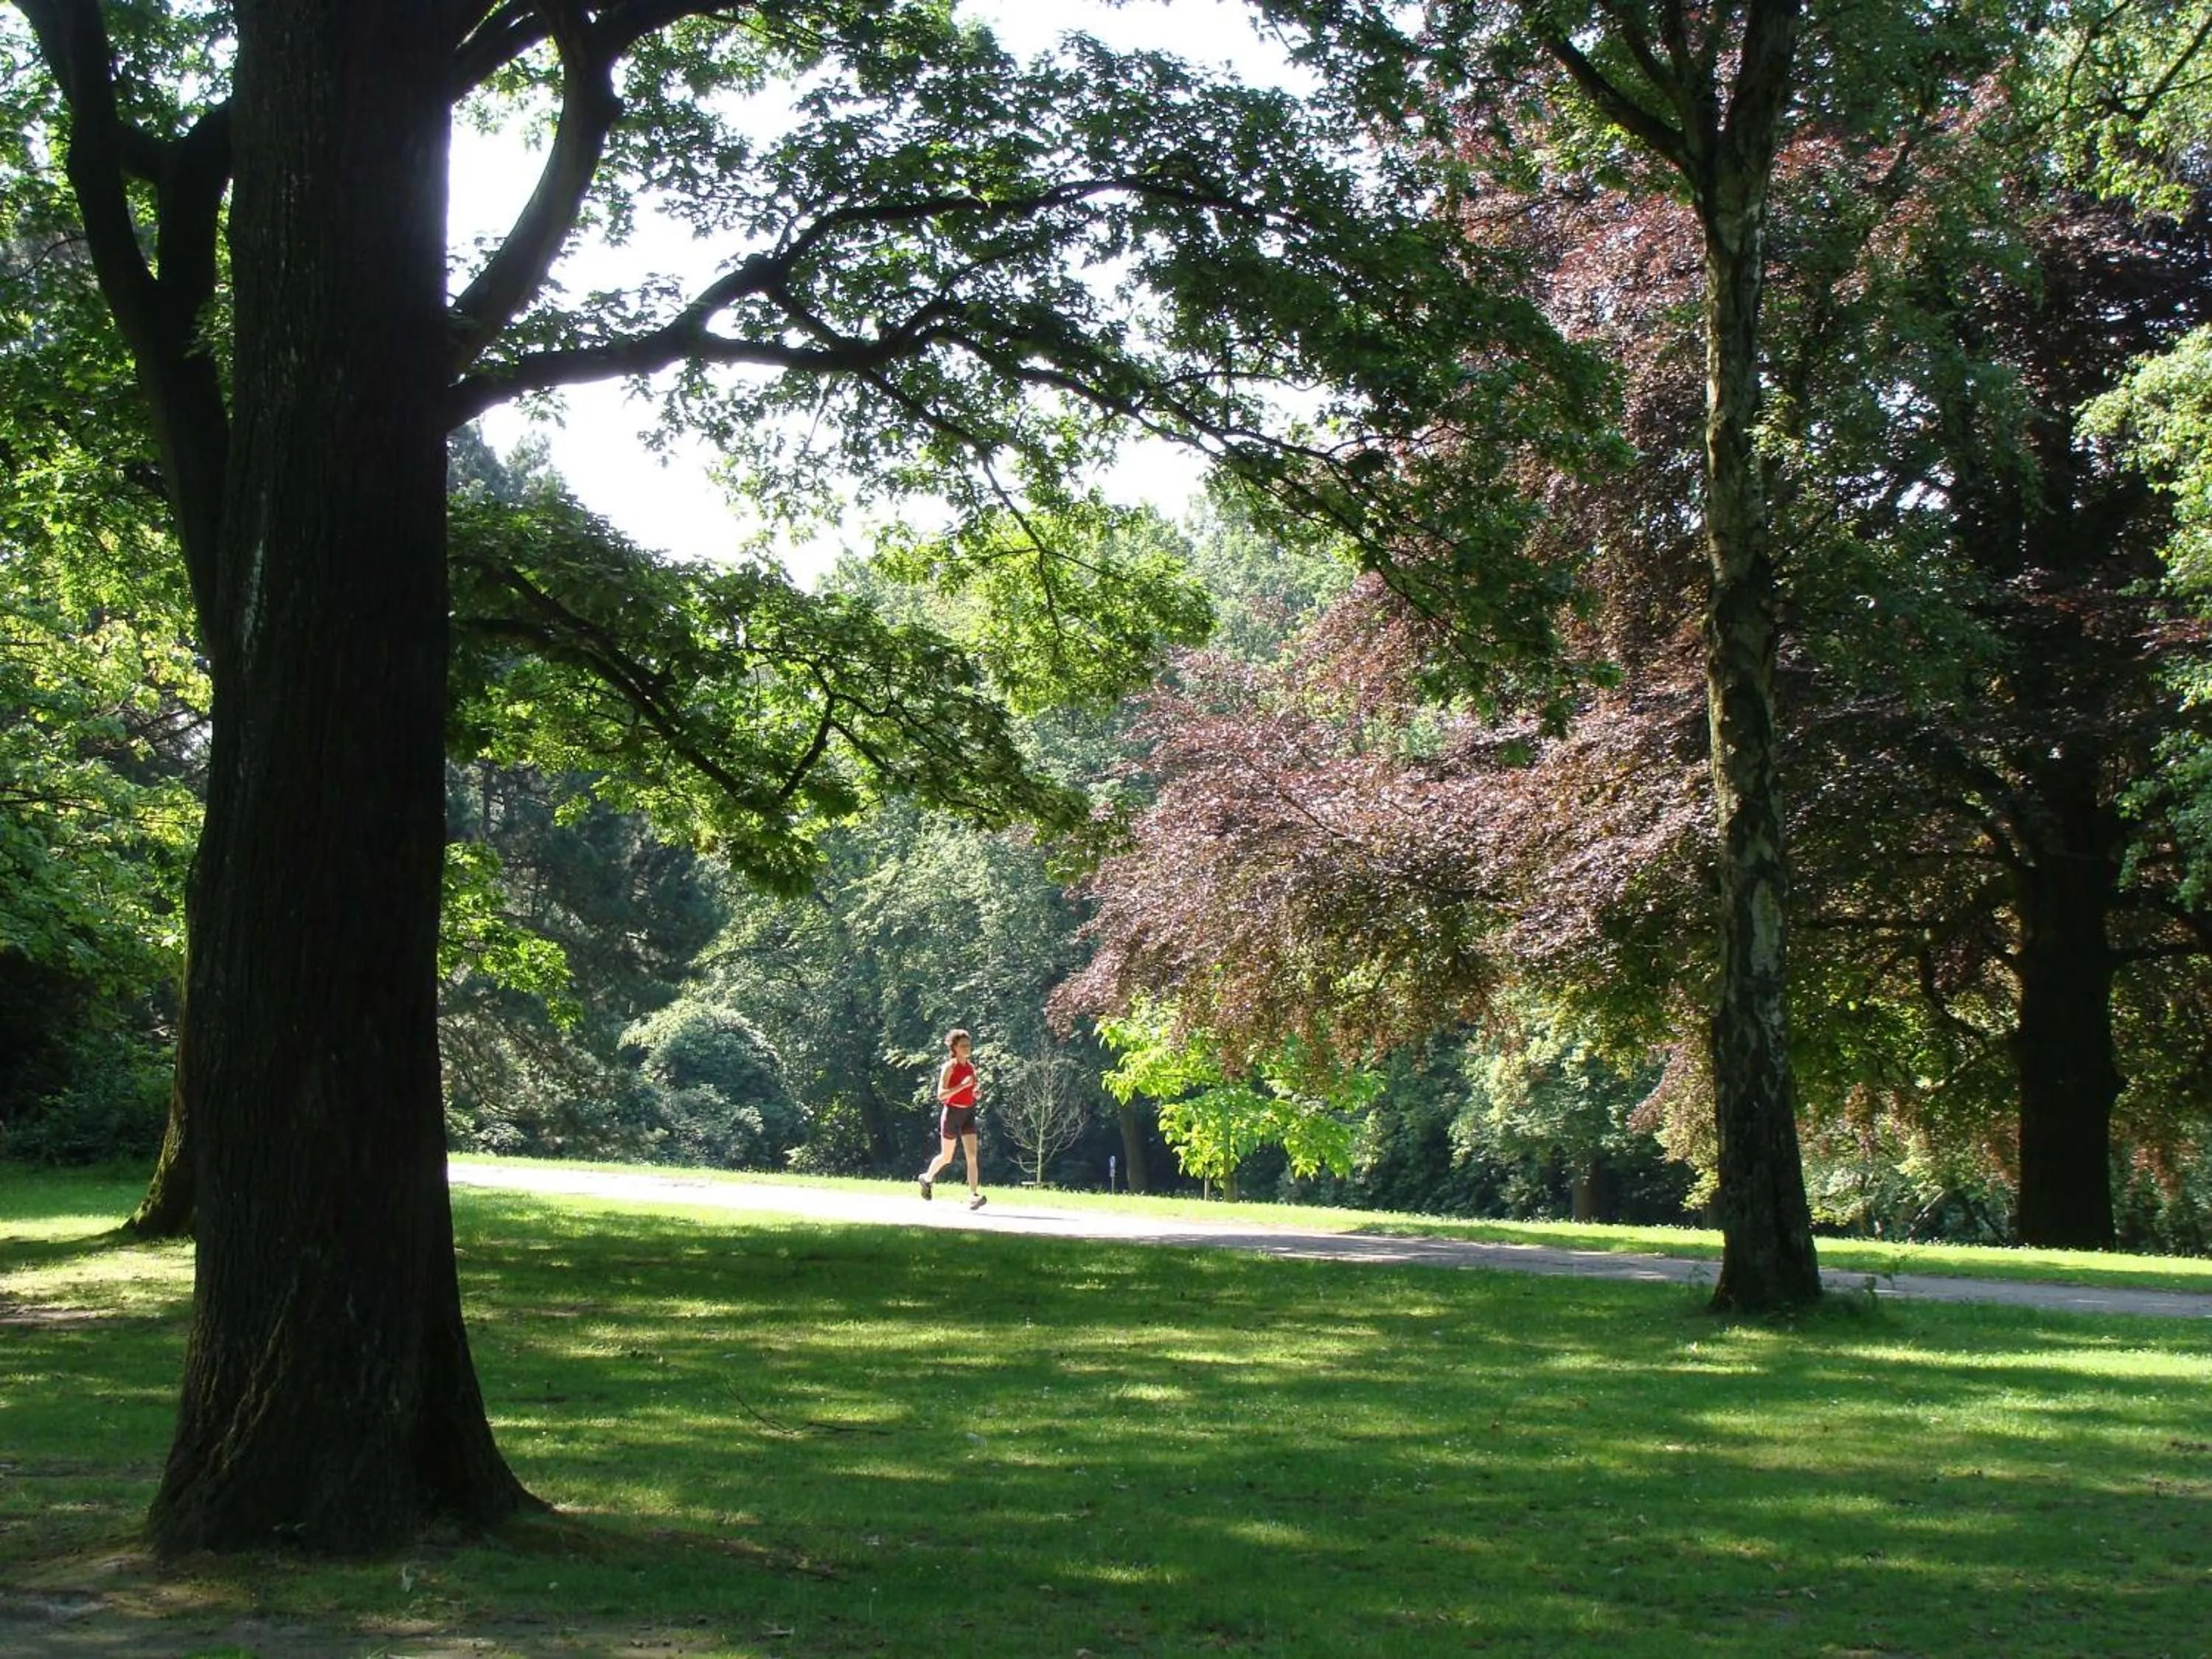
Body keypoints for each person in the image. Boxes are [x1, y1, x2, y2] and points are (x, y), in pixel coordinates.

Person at [918, 1027, 986, 1210]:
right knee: (947, 1157)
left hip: (968, 1114)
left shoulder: (972, 1068)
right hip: (952, 1114)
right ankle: (927, 1178)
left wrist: (976, 1093)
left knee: (972, 1156)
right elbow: (941, 1095)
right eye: (963, 1046)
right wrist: (961, 1087)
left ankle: (973, 1195)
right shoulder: (949, 1067)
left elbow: (973, 1091)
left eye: (968, 1045)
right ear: (954, 1048)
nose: (967, 1048)